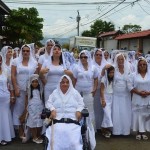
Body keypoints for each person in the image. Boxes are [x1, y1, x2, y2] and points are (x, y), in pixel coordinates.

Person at [45, 75, 85, 150]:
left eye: (67, 82)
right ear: (59, 83)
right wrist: (52, 109)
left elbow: (81, 103)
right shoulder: (55, 92)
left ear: (70, 83)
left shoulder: (75, 92)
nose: (65, 84)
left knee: (73, 142)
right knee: (56, 140)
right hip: (58, 121)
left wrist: (78, 110)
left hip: (73, 121)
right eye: (63, 82)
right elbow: (48, 103)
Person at [11, 44, 38, 141]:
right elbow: (13, 76)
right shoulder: (15, 61)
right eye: (24, 51)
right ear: (21, 52)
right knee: (19, 109)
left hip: (30, 90)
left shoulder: (34, 62)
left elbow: (36, 76)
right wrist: (16, 88)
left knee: (28, 110)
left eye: (27, 51)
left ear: (30, 52)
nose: (25, 52)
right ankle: (20, 129)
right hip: (20, 89)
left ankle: (29, 130)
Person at [128, 57, 150, 140]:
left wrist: (148, 93)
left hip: (148, 98)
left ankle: (143, 132)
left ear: (147, 65)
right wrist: (139, 93)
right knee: (137, 115)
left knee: (145, 115)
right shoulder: (133, 75)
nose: (142, 66)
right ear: (138, 66)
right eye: (140, 64)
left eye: (144, 64)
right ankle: (138, 132)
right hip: (137, 97)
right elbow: (129, 86)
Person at [112, 53, 131, 135]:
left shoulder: (128, 70)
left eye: (122, 59)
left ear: (124, 60)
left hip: (125, 95)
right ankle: (116, 131)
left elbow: (130, 82)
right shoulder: (114, 70)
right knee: (116, 112)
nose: (120, 61)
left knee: (125, 112)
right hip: (116, 94)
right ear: (116, 60)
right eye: (119, 59)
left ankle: (125, 131)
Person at [0, 54, 15, 145]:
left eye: (0, 60)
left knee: (4, 116)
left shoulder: (5, 70)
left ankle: (5, 137)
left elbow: (11, 84)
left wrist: (12, 96)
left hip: (5, 98)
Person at [92, 48, 108, 131]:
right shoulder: (91, 65)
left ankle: (103, 126)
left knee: (102, 108)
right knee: (94, 108)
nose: (98, 56)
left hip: (103, 91)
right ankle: (95, 126)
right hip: (94, 90)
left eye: (100, 55)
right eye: (97, 54)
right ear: (94, 55)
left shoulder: (106, 64)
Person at [26, 74, 44, 144]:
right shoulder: (29, 91)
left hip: (39, 108)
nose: (34, 83)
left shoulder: (40, 90)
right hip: (32, 108)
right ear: (30, 83)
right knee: (32, 121)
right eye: (33, 82)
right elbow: (26, 100)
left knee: (39, 121)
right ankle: (34, 137)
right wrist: (26, 109)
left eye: (36, 82)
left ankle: (38, 135)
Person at [100, 66, 115, 138]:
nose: (112, 74)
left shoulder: (112, 79)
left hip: (111, 97)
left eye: (113, 72)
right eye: (110, 72)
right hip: (105, 97)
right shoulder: (104, 79)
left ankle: (105, 129)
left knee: (108, 114)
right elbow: (102, 90)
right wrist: (103, 100)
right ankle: (103, 129)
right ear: (107, 72)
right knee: (107, 113)